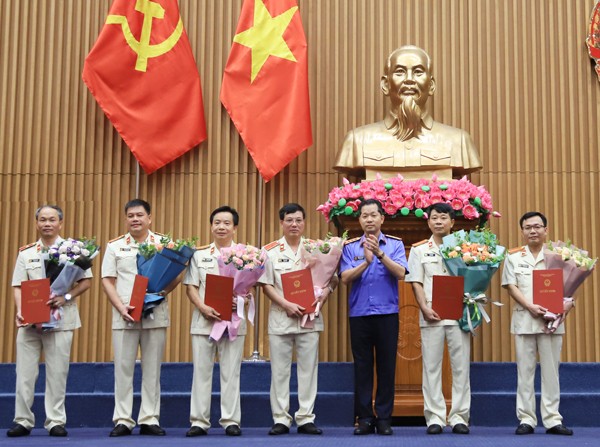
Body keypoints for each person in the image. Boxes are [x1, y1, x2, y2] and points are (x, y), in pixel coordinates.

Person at [334, 45, 482, 180]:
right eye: (400, 72)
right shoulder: (357, 141)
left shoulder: (458, 141)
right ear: (385, 85)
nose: (409, 79)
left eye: (418, 72)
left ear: (431, 86)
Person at [7, 205, 92, 438]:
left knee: (57, 373)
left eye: (52, 219)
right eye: (42, 219)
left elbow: (86, 282)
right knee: (24, 374)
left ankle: (55, 421)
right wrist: (20, 310)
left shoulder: (74, 251)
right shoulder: (26, 253)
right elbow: (17, 285)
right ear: (36, 223)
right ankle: (23, 420)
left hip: (61, 320)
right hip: (30, 322)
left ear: (60, 223)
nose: (47, 223)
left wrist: (66, 297)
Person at [102, 199, 179, 437]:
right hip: (125, 314)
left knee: (152, 369)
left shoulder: (164, 244)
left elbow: (177, 274)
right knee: (123, 368)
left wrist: (160, 294)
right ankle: (123, 419)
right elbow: (107, 280)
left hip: (154, 314)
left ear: (149, 218)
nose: (135, 219)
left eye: (140, 215)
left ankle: (149, 418)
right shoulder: (114, 246)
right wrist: (120, 307)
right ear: (126, 219)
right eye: (131, 216)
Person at [260, 203, 338, 436]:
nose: (294, 224)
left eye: (298, 220)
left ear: (304, 223)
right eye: (289, 220)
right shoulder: (269, 251)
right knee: (279, 371)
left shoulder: (318, 248)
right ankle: (280, 418)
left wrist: (325, 294)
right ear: (281, 223)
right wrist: (286, 304)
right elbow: (265, 284)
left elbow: (332, 279)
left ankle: (305, 418)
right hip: (281, 317)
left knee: (308, 370)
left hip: (309, 317)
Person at [501, 212, 574, 436]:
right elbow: (510, 286)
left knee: (551, 372)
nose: (533, 231)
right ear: (522, 231)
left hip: (551, 322)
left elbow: (570, 287)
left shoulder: (559, 256)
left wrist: (567, 305)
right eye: (528, 227)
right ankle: (526, 419)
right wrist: (530, 306)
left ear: (546, 230)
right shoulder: (513, 256)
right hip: (525, 319)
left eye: (537, 226)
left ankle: (552, 419)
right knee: (524, 372)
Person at [340, 199, 408, 435]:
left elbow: (401, 273)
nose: (369, 219)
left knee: (387, 367)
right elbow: (345, 278)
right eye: (364, 216)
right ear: (359, 220)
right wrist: (365, 263)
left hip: (387, 313)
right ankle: (365, 418)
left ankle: (384, 418)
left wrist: (379, 254)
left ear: (382, 218)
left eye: (373, 215)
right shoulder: (350, 247)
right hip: (359, 314)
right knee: (362, 367)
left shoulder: (395, 244)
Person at [404, 202, 471, 435]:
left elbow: (474, 279)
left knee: (460, 367)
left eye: (443, 218)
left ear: (452, 222)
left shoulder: (465, 248)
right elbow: (416, 281)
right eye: (434, 218)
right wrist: (423, 307)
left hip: (459, 313)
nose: (438, 222)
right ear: (428, 221)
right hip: (431, 313)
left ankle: (460, 417)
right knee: (431, 367)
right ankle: (435, 417)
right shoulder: (419, 249)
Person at [183, 206, 245, 437]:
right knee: (201, 372)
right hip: (204, 322)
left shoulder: (246, 256)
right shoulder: (199, 255)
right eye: (217, 222)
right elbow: (191, 287)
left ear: (235, 228)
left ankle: (231, 421)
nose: (221, 227)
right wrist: (202, 307)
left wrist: (241, 301)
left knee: (231, 372)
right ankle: (199, 421)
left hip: (233, 322)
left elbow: (250, 288)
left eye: (227, 223)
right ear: (211, 226)